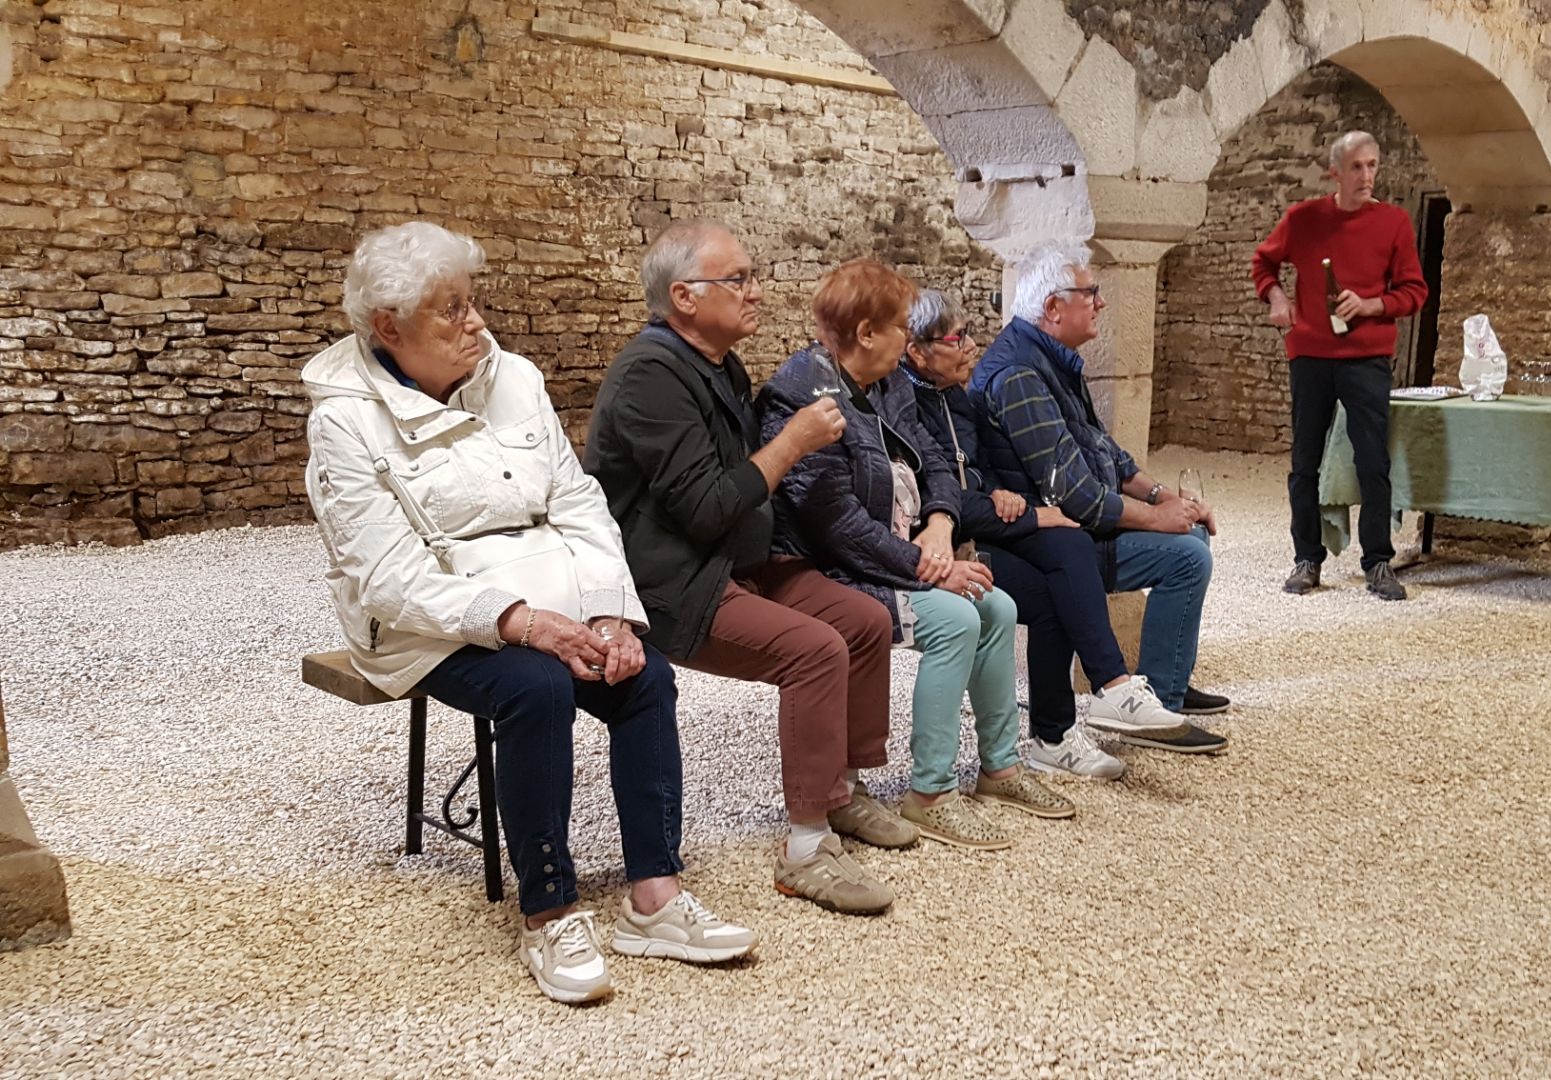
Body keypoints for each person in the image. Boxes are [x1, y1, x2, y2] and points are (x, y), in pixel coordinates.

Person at [303, 222, 756, 1006]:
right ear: (388, 329)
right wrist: (521, 622)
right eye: (450, 310)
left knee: (643, 678)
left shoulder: (513, 377)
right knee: (536, 688)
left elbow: (578, 502)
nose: (476, 322)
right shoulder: (343, 419)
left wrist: (611, 614)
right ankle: (549, 910)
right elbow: (385, 575)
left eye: (472, 301)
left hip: (552, 595)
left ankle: (655, 896)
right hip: (422, 622)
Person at [585, 222, 905, 918]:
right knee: (814, 650)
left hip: (737, 562)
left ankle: (840, 792)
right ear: (684, 297)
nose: (756, 291)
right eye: (739, 279)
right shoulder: (650, 375)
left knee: (864, 620)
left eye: (752, 276)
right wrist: (793, 442)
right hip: (670, 583)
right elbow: (704, 509)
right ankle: (806, 848)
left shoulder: (720, 367)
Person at [759, 259, 1075, 849]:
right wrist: (927, 568)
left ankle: (1000, 767)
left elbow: (935, 461)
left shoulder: (889, 383)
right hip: (837, 570)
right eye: (902, 327)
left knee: (999, 608)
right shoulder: (799, 394)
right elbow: (837, 528)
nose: (909, 338)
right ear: (866, 334)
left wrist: (939, 525)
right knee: (956, 618)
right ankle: (929, 792)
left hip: (905, 549)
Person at [900, 288, 1189, 780]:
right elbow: (938, 495)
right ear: (917, 351)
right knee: (1062, 555)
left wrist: (999, 492)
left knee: (1065, 558)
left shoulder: (955, 396)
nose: (972, 345)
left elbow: (978, 467)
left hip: (980, 527)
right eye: (958, 337)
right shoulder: (906, 402)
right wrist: (1030, 515)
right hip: (936, 548)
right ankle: (1101, 695)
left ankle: (1062, 732)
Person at [970, 240, 1232, 756]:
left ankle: (1164, 688)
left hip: (1075, 529)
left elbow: (1105, 452)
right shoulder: (1019, 375)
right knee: (1187, 555)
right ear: (1053, 307)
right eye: (1091, 293)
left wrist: (1164, 497)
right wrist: (1156, 518)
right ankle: (1148, 704)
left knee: (1192, 533)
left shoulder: (1050, 359)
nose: (1101, 302)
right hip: (1049, 537)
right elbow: (1075, 496)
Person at [1251, 129, 1429, 601]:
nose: (1367, 176)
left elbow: (1414, 292)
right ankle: (1307, 559)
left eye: (1372, 165)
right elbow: (1263, 264)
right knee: (1304, 462)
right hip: (1310, 355)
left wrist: (1371, 304)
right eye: (1357, 167)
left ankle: (1378, 563)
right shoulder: (1304, 219)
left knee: (1373, 461)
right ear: (1335, 172)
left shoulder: (1393, 223)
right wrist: (1277, 297)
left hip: (1367, 359)